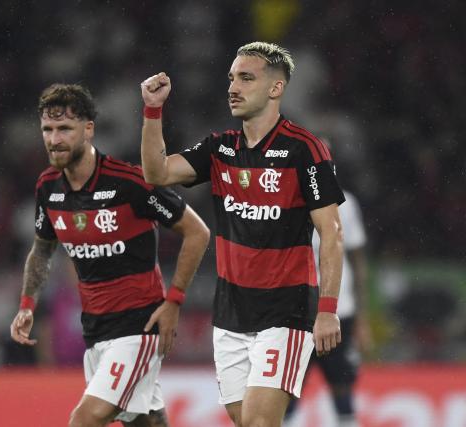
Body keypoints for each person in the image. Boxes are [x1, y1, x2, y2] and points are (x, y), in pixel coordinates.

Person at [139, 41, 345, 427]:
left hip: (286, 311)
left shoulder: (305, 150)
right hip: (231, 313)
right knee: (247, 422)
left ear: (275, 88)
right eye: (232, 78)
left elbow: (331, 232)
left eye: (246, 78)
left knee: (258, 423)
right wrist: (153, 111)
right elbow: (156, 173)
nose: (233, 86)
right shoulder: (220, 148)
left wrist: (328, 311)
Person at [9, 83, 210, 427]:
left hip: (138, 327)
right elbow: (42, 249)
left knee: (84, 420)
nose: (54, 139)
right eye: (48, 129)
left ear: (88, 129)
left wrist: (174, 301)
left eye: (65, 129)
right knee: (145, 421)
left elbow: (197, 232)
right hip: (96, 331)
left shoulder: (129, 182)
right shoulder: (48, 186)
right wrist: (27, 304)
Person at [284, 184, 371, 427]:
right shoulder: (283, 198)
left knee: (342, 384)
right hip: (296, 312)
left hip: (339, 311)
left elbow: (357, 259)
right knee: (290, 386)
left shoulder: (346, 203)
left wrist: (361, 317)